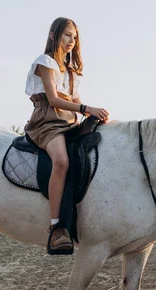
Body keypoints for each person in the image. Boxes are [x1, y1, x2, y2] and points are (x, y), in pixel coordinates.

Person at [24, 17, 109, 255]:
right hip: (47, 121)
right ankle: (56, 227)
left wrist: (95, 116)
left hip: (69, 121)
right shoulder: (45, 63)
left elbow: (76, 100)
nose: (71, 41)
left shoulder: (71, 72)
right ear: (54, 36)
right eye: (67, 35)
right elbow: (53, 100)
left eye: (74, 36)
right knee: (61, 160)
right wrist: (86, 109)